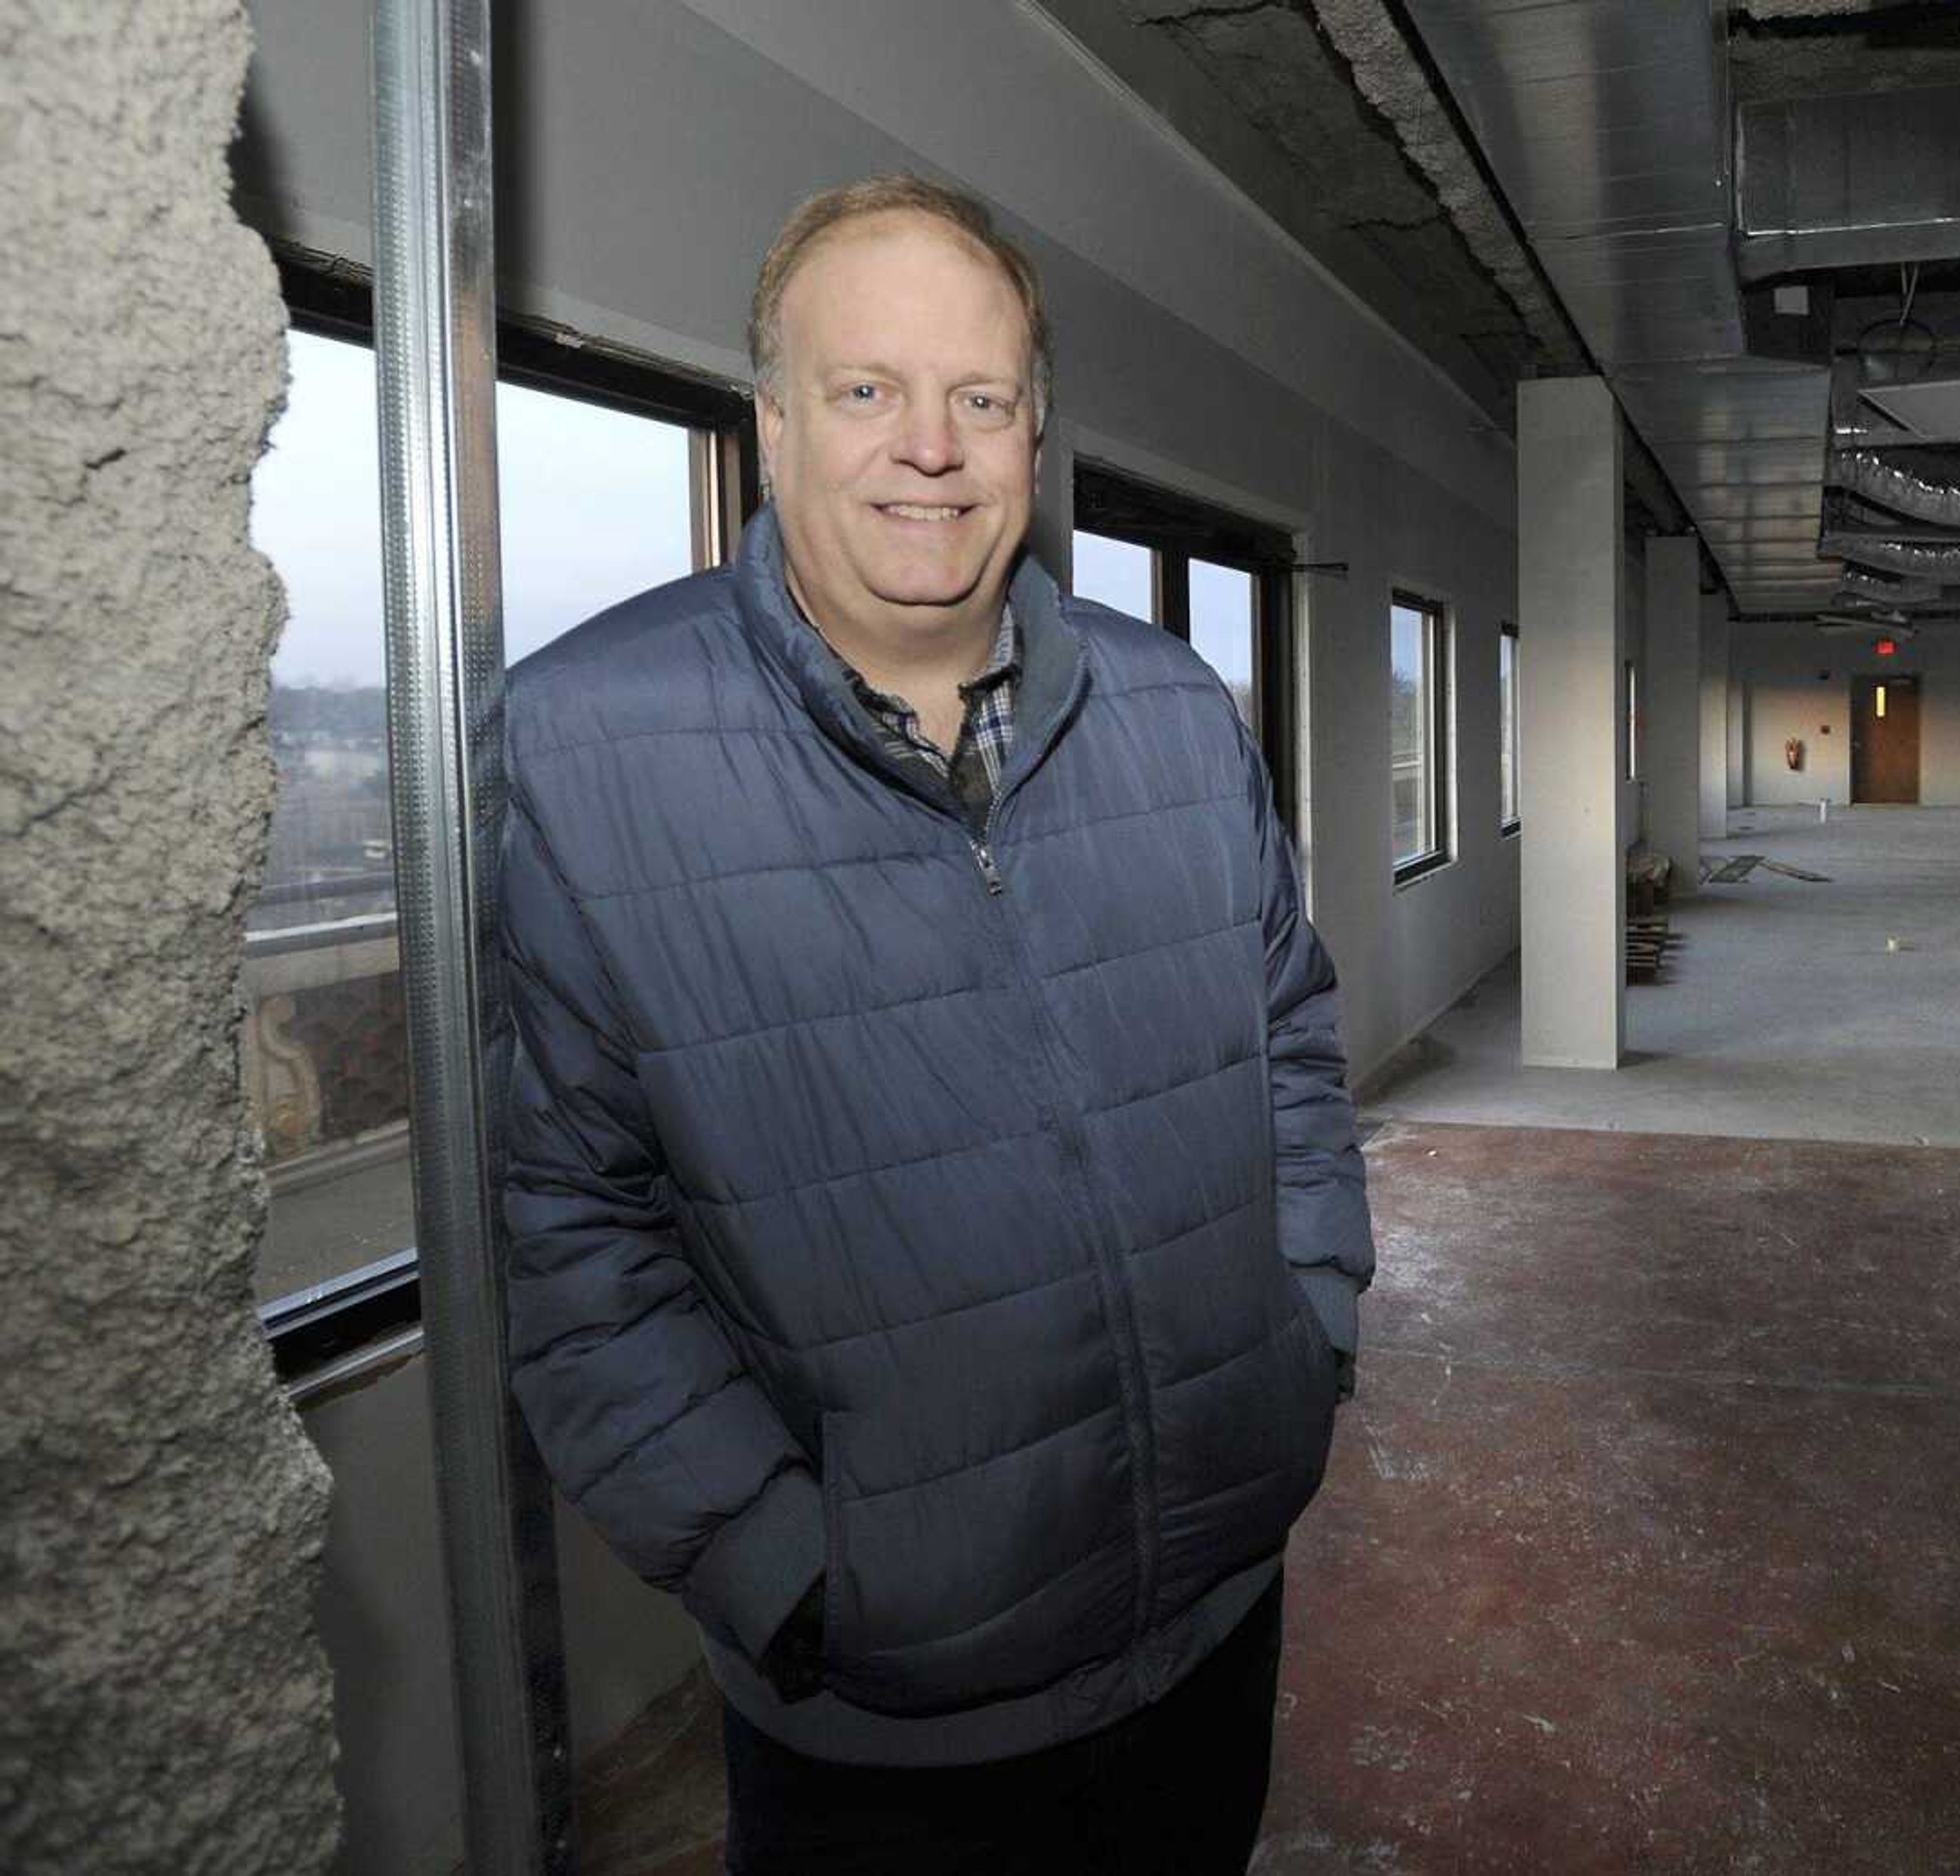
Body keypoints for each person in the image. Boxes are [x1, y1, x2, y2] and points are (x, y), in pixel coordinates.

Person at [495, 173, 1372, 1874]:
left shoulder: (1181, 717)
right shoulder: (583, 747)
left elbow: (1291, 1040)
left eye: (982, 398)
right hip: (883, 1721)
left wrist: (1310, 1328)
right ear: (770, 423)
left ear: (1035, 440)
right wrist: (786, 1571)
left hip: (1213, 1618)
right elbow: (568, 1231)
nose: (933, 447)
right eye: (868, 391)